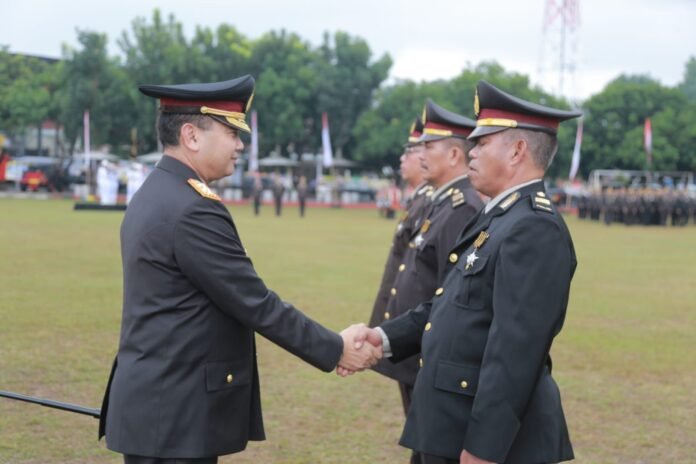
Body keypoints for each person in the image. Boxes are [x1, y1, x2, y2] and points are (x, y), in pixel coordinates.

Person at [98, 75, 381, 464]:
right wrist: (336, 349)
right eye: (231, 132)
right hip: (176, 416)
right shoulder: (193, 207)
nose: (240, 144)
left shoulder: (156, 192)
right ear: (191, 136)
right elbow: (255, 302)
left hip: (159, 408)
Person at [345, 80, 582, 464]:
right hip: (449, 421)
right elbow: (449, 305)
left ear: (518, 150)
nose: (470, 150)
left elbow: (514, 352)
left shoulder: (533, 228)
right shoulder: (498, 216)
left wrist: (484, 447)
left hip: (488, 440)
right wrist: (384, 337)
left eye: (483, 142)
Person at [369, 103, 483, 464]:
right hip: (416, 344)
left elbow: (451, 294)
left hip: (431, 353)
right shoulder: (443, 203)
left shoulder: (461, 206)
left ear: (453, 153)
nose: (419, 156)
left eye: (427, 147)